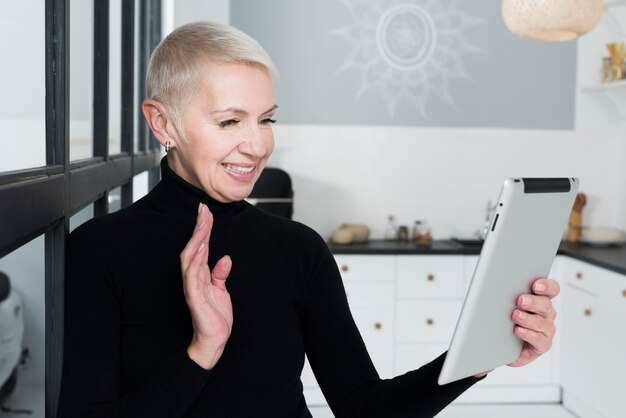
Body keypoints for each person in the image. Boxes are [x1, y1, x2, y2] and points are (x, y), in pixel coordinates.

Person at [57, 21, 560, 417]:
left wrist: (477, 359)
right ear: (162, 121)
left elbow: (364, 408)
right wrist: (202, 351)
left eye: (267, 118)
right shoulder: (99, 250)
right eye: (230, 120)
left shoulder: (299, 249)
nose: (257, 145)